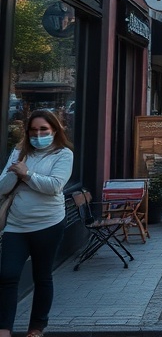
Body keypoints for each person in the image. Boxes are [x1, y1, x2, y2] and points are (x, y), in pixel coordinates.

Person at [0, 109, 74, 337]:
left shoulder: (63, 154)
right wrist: (17, 171)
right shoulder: (19, 152)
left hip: (48, 224)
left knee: (42, 276)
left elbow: (54, 186)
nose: (38, 134)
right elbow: (2, 187)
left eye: (43, 129)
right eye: (33, 130)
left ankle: (36, 328)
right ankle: (4, 329)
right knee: (7, 275)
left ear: (54, 130)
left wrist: (27, 174)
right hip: (16, 225)